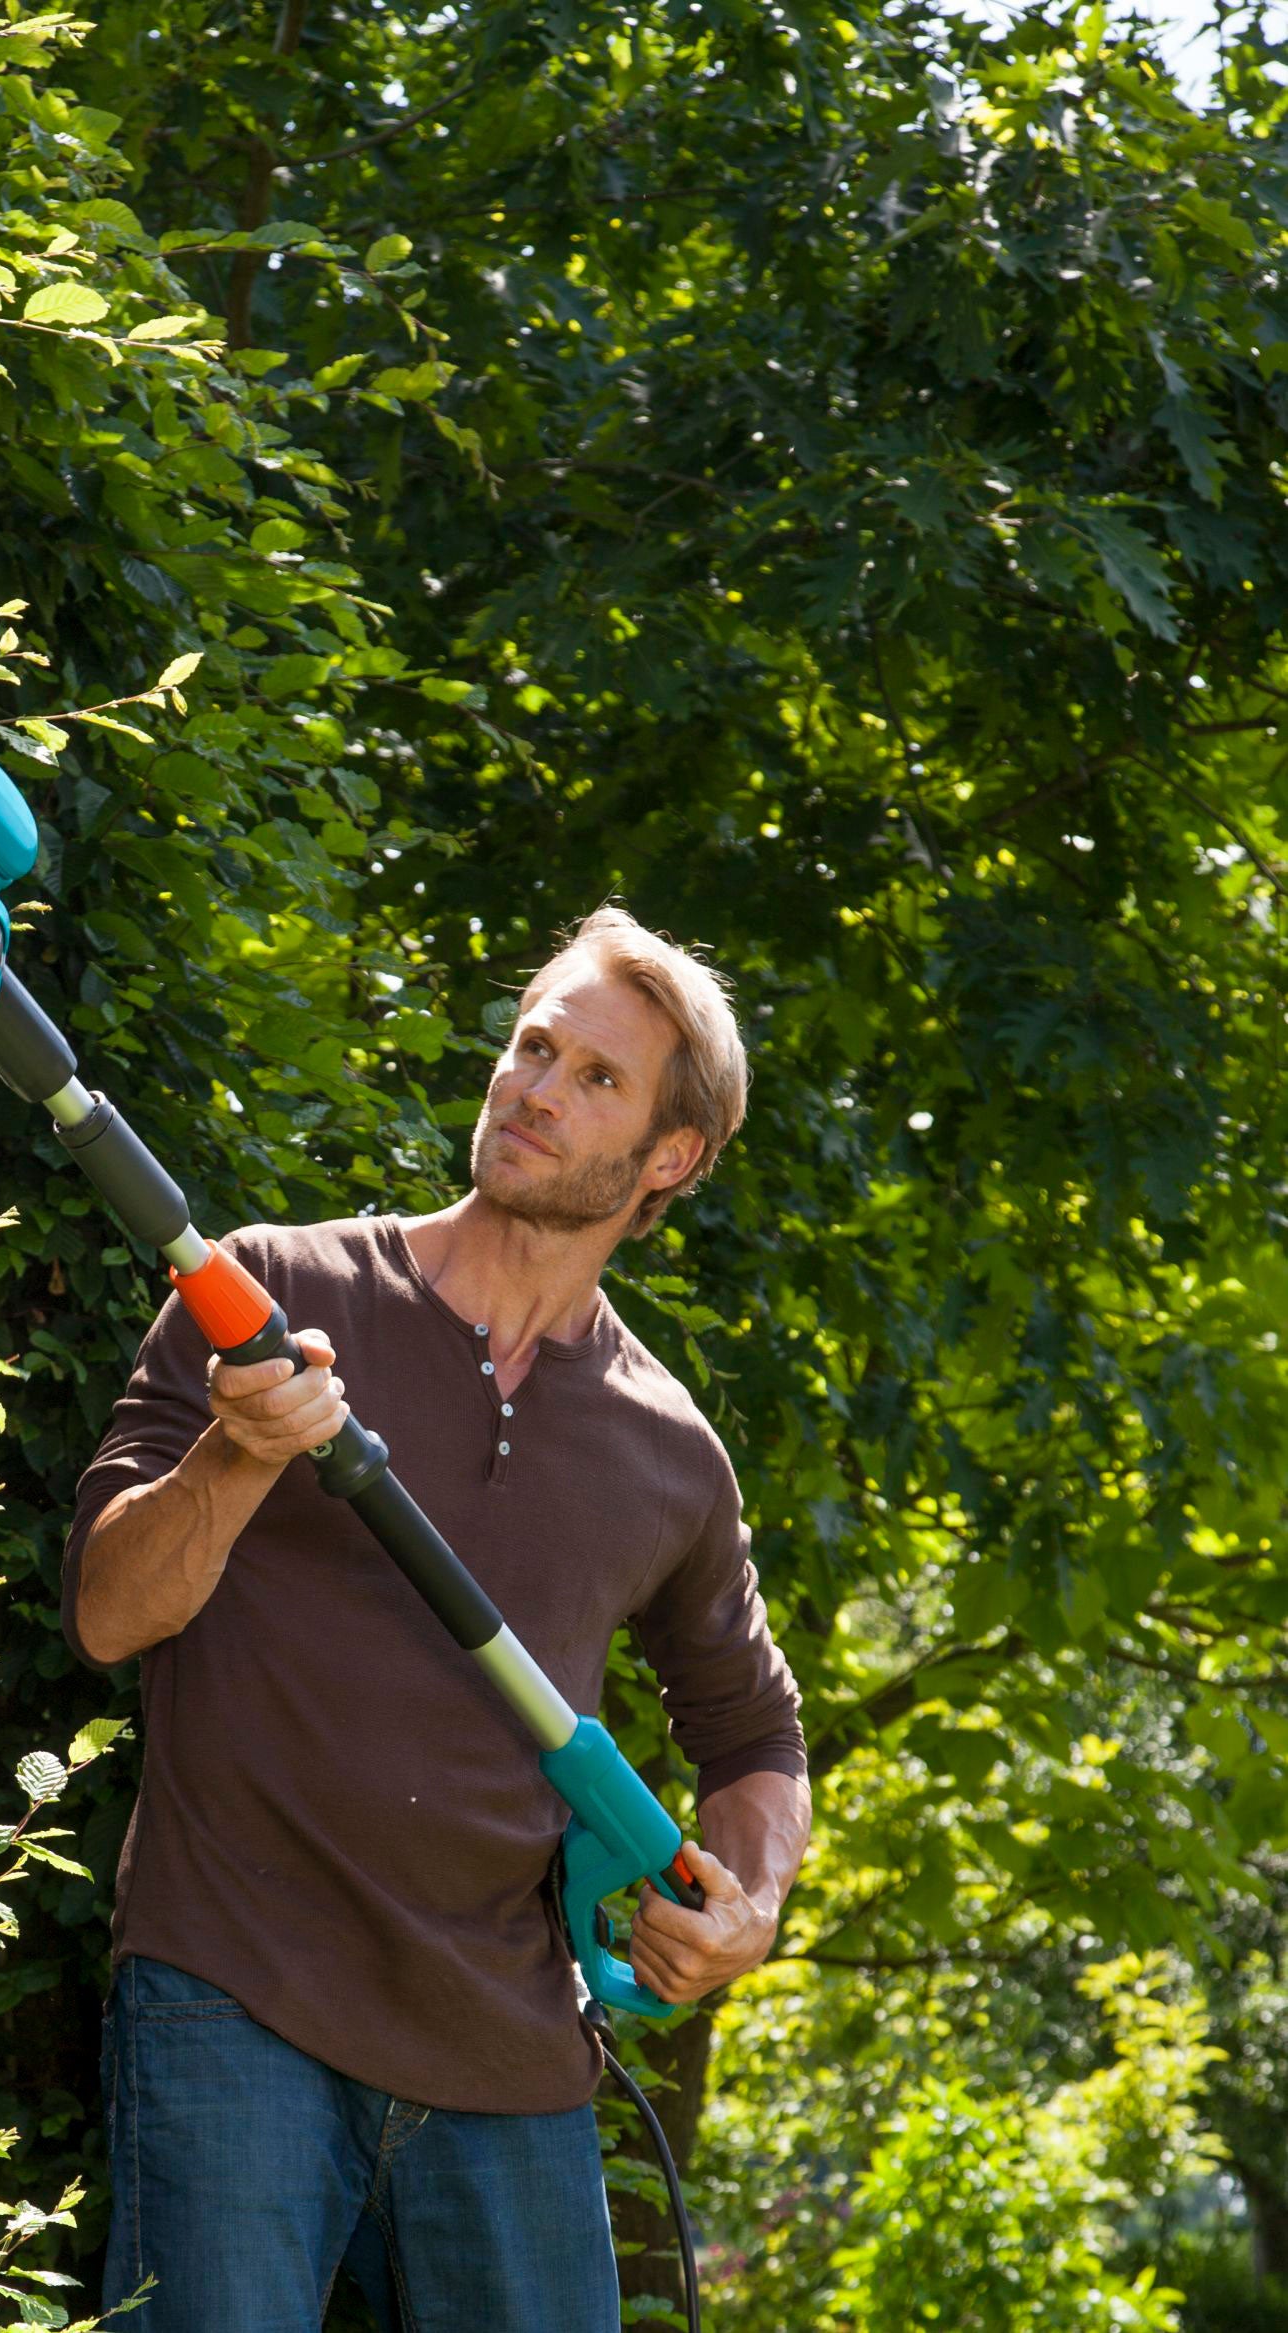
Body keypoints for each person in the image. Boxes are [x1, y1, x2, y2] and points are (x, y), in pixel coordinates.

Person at [64, 906, 811, 2332]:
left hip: (508, 2048)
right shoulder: (272, 1296)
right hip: (232, 1987)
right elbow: (107, 1613)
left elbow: (754, 1734)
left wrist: (750, 1905)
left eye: (596, 1077)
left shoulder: (667, 1453)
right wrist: (235, 1455)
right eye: (533, 1046)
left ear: (670, 1157)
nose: (536, 1088)